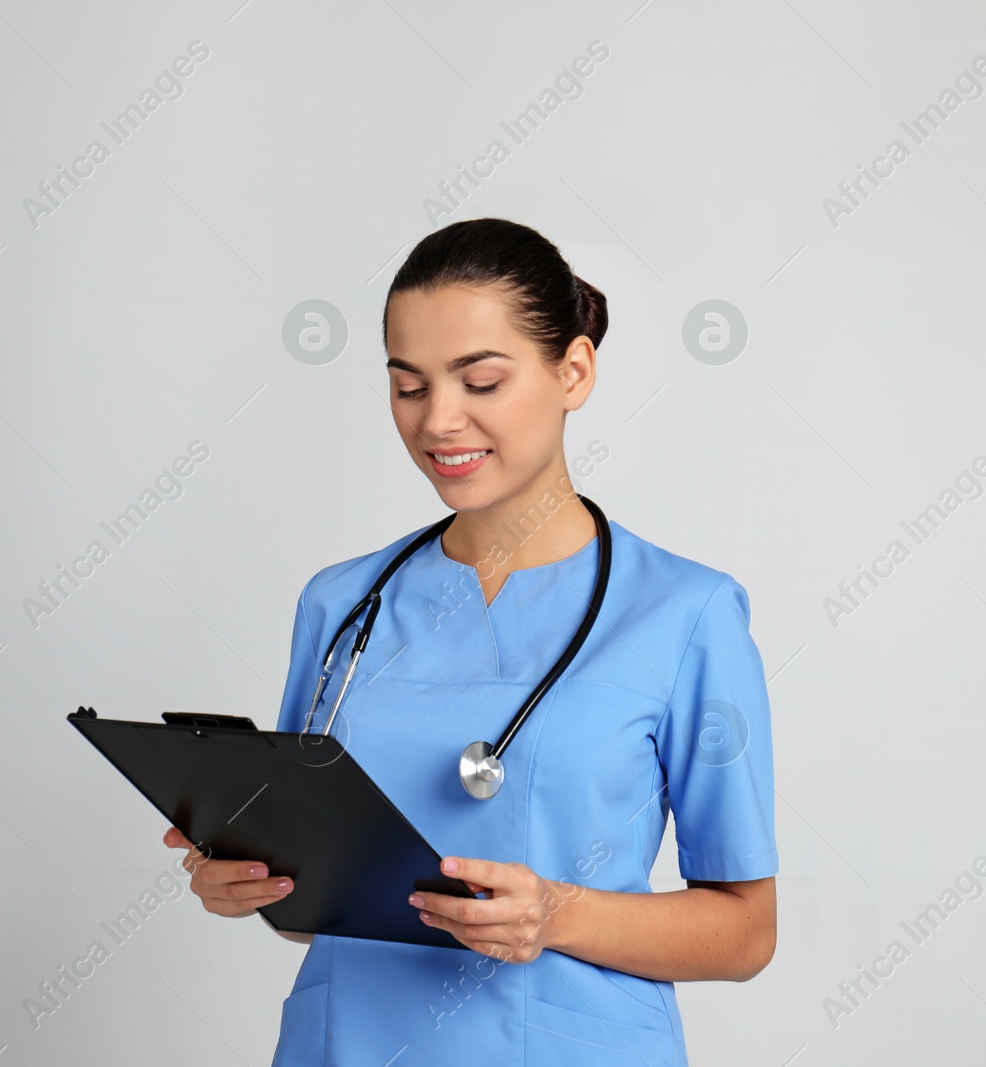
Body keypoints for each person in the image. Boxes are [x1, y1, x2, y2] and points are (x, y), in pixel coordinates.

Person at [163, 217, 778, 1065]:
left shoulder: (685, 614)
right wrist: (253, 882)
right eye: (408, 386)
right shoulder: (341, 603)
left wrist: (558, 914)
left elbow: (746, 930)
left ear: (575, 370)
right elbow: (320, 899)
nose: (439, 421)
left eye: (480, 380)